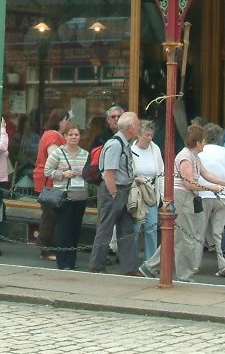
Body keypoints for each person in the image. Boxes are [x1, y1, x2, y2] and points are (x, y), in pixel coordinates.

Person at [139, 124, 225, 281]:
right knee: (185, 237)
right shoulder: (186, 157)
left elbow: (207, 174)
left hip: (186, 197)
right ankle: (184, 275)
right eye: (204, 141)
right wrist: (213, 188)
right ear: (197, 142)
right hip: (183, 197)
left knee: (175, 236)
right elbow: (189, 183)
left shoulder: (194, 156)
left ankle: (150, 266)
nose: (205, 143)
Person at [88, 110, 140, 275]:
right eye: (137, 124)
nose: (139, 127)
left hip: (122, 188)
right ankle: (97, 266)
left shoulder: (124, 142)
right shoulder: (115, 144)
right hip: (115, 189)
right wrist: (114, 194)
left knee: (127, 228)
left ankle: (129, 268)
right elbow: (109, 172)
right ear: (131, 127)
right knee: (106, 227)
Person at [44, 125, 89, 270]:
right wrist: (63, 174)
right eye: (71, 134)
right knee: (64, 230)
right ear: (65, 136)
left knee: (75, 231)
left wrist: (85, 174)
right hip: (64, 196)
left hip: (80, 196)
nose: (74, 137)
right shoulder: (58, 153)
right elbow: (47, 170)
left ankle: (72, 261)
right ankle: (63, 262)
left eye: (76, 134)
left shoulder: (85, 154)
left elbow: (91, 173)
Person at [198, 122, 225, 277]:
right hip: (223, 194)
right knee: (219, 233)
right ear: (220, 137)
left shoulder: (199, 152)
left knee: (199, 232)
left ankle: (194, 265)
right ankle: (224, 265)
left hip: (202, 194)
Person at [33, 108, 69, 262]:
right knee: (50, 215)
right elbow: (55, 157)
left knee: (51, 215)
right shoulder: (53, 136)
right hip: (50, 181)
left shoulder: (49, 134)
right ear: (60, 121)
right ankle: (45, 247)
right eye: (66, 119)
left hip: (49, 180)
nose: (67, 123)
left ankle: (47, 244)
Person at [130, 119, 164, 262]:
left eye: (151, 135)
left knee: (151, 227)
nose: (149, 138)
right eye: (146, 135)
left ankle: (151, 261)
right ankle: (131, 260)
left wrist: (162, 196)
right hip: (137, 192)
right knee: (136, 227)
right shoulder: (131, 149)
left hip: (151, 192)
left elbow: (161, 172)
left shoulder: (155, 149)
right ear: (139, 134)